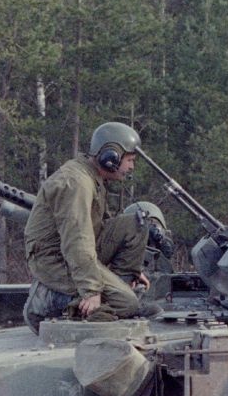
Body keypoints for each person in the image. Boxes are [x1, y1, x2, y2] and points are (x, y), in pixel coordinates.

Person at [22, 121, 162, 332]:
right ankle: (46, 302)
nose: (132, 167)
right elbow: (77, 240)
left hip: (73, 253)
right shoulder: (76, 183)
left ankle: (114, 288)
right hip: (55, 259)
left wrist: (132, 270)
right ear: (110, 158)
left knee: (137, 223)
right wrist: (91, 290)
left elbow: (101, 227)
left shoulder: (92, 177)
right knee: (128, 304)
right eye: (130, 160)